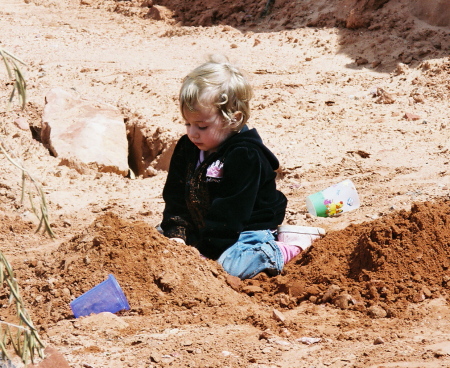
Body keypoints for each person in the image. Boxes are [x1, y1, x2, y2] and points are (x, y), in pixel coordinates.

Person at [161, 55, 324, 279]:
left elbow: (231, 212)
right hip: (205, 228)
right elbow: (175, 196)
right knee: (156, 245)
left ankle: (287, 248)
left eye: (201, 126)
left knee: (228, 267)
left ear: (233, 119)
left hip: (245, 230)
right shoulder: (187, 147)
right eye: (187, 123)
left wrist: (206, 254)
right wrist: (176, 235)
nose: (192, 133)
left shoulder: (244, 155)